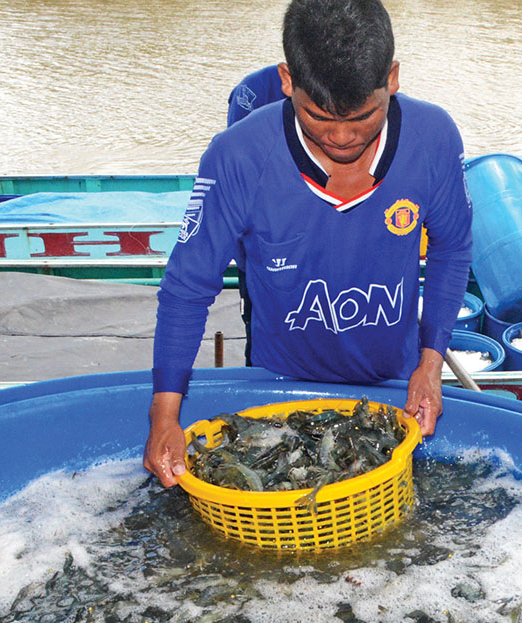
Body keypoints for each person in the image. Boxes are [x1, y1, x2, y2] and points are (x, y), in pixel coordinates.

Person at [144, 0, 473, 488]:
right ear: (286, 81)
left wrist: (430, 365)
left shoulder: (435, 138)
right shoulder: (237, 156)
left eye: (363, 117)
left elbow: (452, 249)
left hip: (392, 381)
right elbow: (187, 288)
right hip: (280, 386)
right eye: (318, 117)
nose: (341, 137)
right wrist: (164, 413)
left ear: (393, 79)